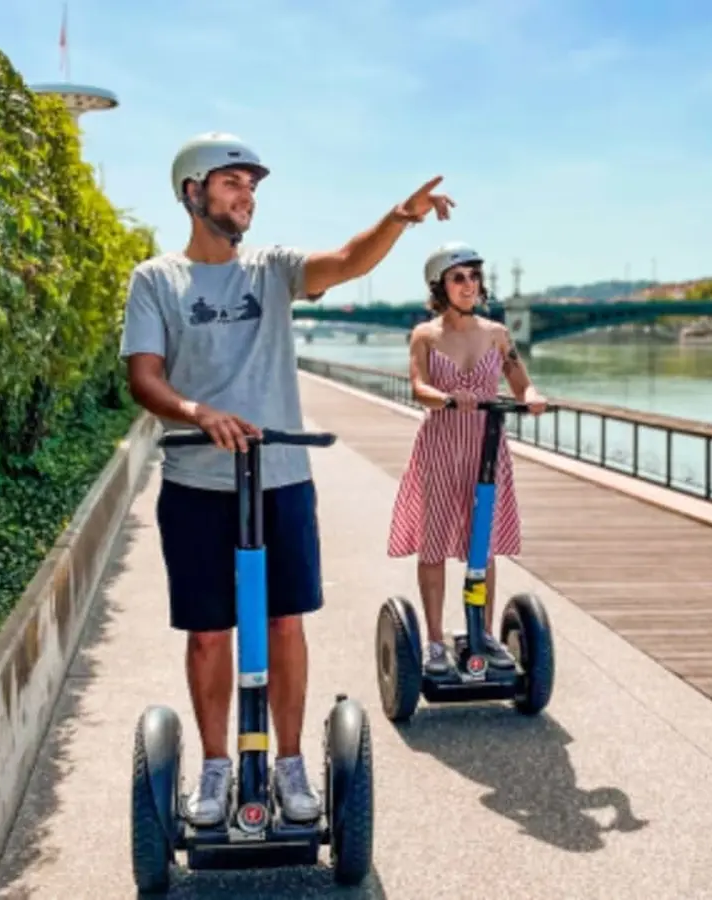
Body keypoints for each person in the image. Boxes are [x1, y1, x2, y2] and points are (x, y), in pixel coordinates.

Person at [119, 132, 454, 828]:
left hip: (282, 479)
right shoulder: (155, 279)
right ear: (192, 192)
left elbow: (346, 261)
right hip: (196, 483)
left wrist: (399, 217)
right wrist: (197, 412)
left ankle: (291, 761)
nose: (247, 197)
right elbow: (144, 377)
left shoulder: (270, 269)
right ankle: (215, 767)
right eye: (233, 183)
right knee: (210, 634)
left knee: (282, 623)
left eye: (252, 187)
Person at [387, 241, 547, 675]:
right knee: (434, 542)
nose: (469, 284)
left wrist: (532, 398)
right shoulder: (425, 335)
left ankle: (485, 633)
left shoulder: (497, 334)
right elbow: (418, 387)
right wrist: (446, 397)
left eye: (474, 276)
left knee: (484, 545)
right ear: (440, 285)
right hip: (440, 445)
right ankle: (435, 641)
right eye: (459, 277)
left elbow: (519, 380)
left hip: (486, 446)